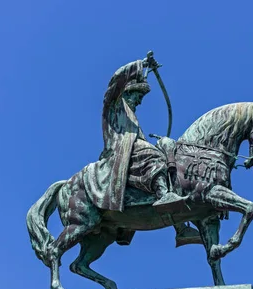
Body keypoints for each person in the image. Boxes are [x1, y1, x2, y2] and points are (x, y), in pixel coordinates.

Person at [84, 56, 202, 246]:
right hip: (119, 152)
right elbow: (116, 80)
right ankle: (164, 195)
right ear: (127, 92)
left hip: (133, 151)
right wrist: (141, 66)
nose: (139, 102)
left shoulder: (132, 118)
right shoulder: (114, 105)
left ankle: (180, 225)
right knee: (151, 155)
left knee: (165, 153)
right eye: (138, 97)